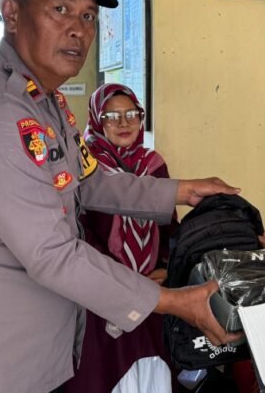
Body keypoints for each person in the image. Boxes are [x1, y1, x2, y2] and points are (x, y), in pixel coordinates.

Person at [0, 0, 241, 393]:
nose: (78, 29)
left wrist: (181, 191)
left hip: (32, 357)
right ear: (12, 12)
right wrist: (173, 301)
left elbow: (88, 180)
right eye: (60, 9)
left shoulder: (46, 102)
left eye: (88, 16)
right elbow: (51, 254)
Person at [63, 83, 179, 392]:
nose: (124, 123)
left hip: (154, 291)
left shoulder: (154, 165)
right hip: (102, 298)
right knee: (109, 375)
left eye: (132, 114)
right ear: (97, 120)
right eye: (111, 116)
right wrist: (123, 281)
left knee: (154, 370)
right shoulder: (83, 166)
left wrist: (167, 266)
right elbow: (80, 231)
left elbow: (170, 227)